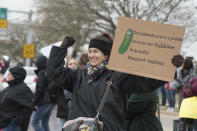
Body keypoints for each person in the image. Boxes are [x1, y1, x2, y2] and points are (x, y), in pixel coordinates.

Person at [47, 34, 166, 131]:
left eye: (96, 51)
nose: (91, 55)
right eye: (90, 51)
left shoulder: (118, 77)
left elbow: (145, 83)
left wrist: (169, 70)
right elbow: (54, 72)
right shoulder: (77, 75)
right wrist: (61, 48)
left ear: (106, 55)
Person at [0, 66, 34, 131]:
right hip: (4, 122)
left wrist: (16, 121)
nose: (7, 76)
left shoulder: (23, 89)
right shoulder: (10, 87)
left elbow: (28, 108)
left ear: (16, 76)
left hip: (11, 125)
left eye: (9, 74)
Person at [48, 58, 77, 129]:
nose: (73, 65)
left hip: (76, 112)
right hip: (64, 110)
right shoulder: (63, 76)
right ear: (67, 66)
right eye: (70, 64)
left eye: (74, 64)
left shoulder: (80, 76)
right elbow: (51, 89)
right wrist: (61, 78)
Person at [31, 55, 54, 131]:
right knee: (44, 122)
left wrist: (34, 102)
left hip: (43, 101)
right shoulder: (50, 71)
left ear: (39, 63)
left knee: (34, 122)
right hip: (52, 101)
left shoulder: (41, 73)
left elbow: (39, 89)